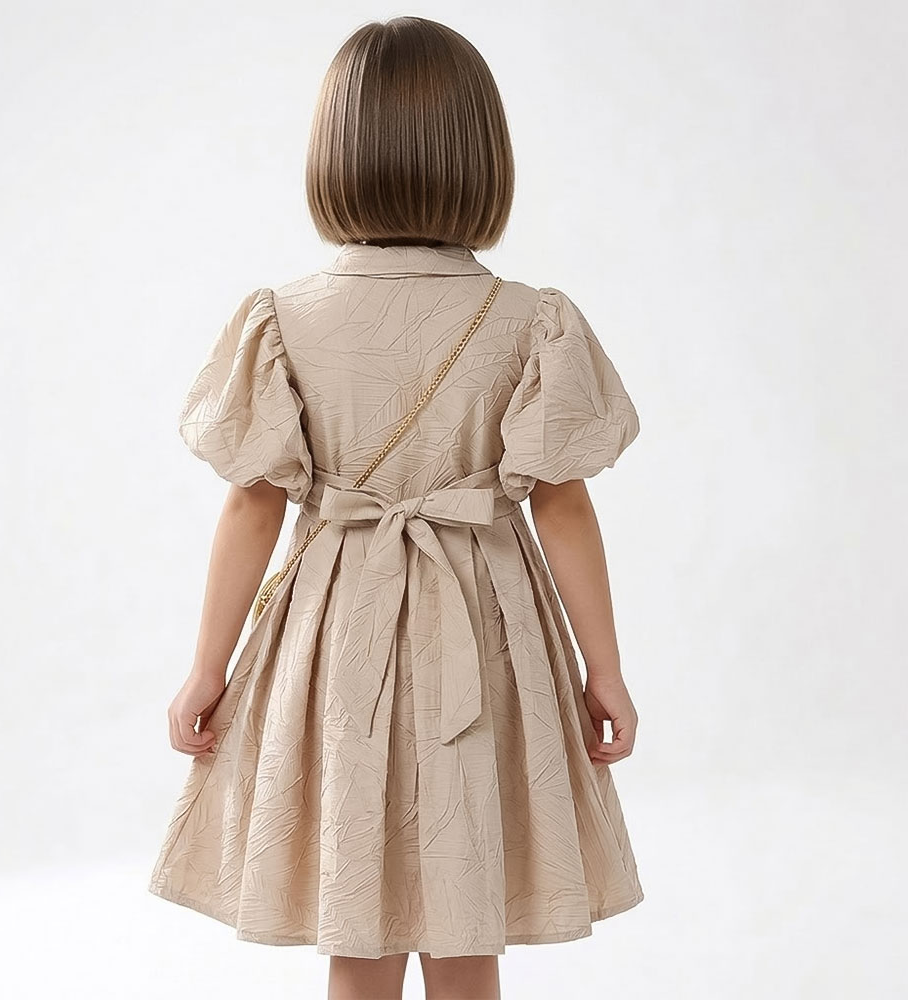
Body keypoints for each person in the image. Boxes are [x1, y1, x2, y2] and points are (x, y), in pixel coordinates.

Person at [148, 15, 645, 1000]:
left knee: (358, 923)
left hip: (337, 638)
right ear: (482, 158)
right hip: (488, 632)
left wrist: (207, 669)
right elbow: (562, 504)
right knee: (467, 924)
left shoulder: (283, 319)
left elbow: (252, 507)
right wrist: (605, 669)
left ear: (332, 155)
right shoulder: (531, 320)